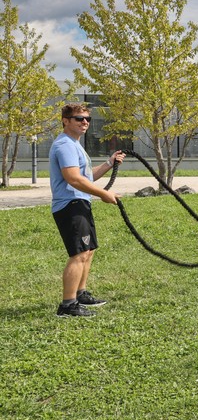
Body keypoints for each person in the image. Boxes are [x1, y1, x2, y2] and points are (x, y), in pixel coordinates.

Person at [49, 103, 125, 318]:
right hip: (70, 205)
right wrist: (103, 194)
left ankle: (80, 294)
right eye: (78, 118)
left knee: (88, 251)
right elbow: (72, 178)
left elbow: (85, 177)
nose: (84, 122)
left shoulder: (75, 145)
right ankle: (67, 305)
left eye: (87, 119)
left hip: (80, 203)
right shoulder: (64, 144)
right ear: (65, 120)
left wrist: (109, 163)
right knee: (79, 254)